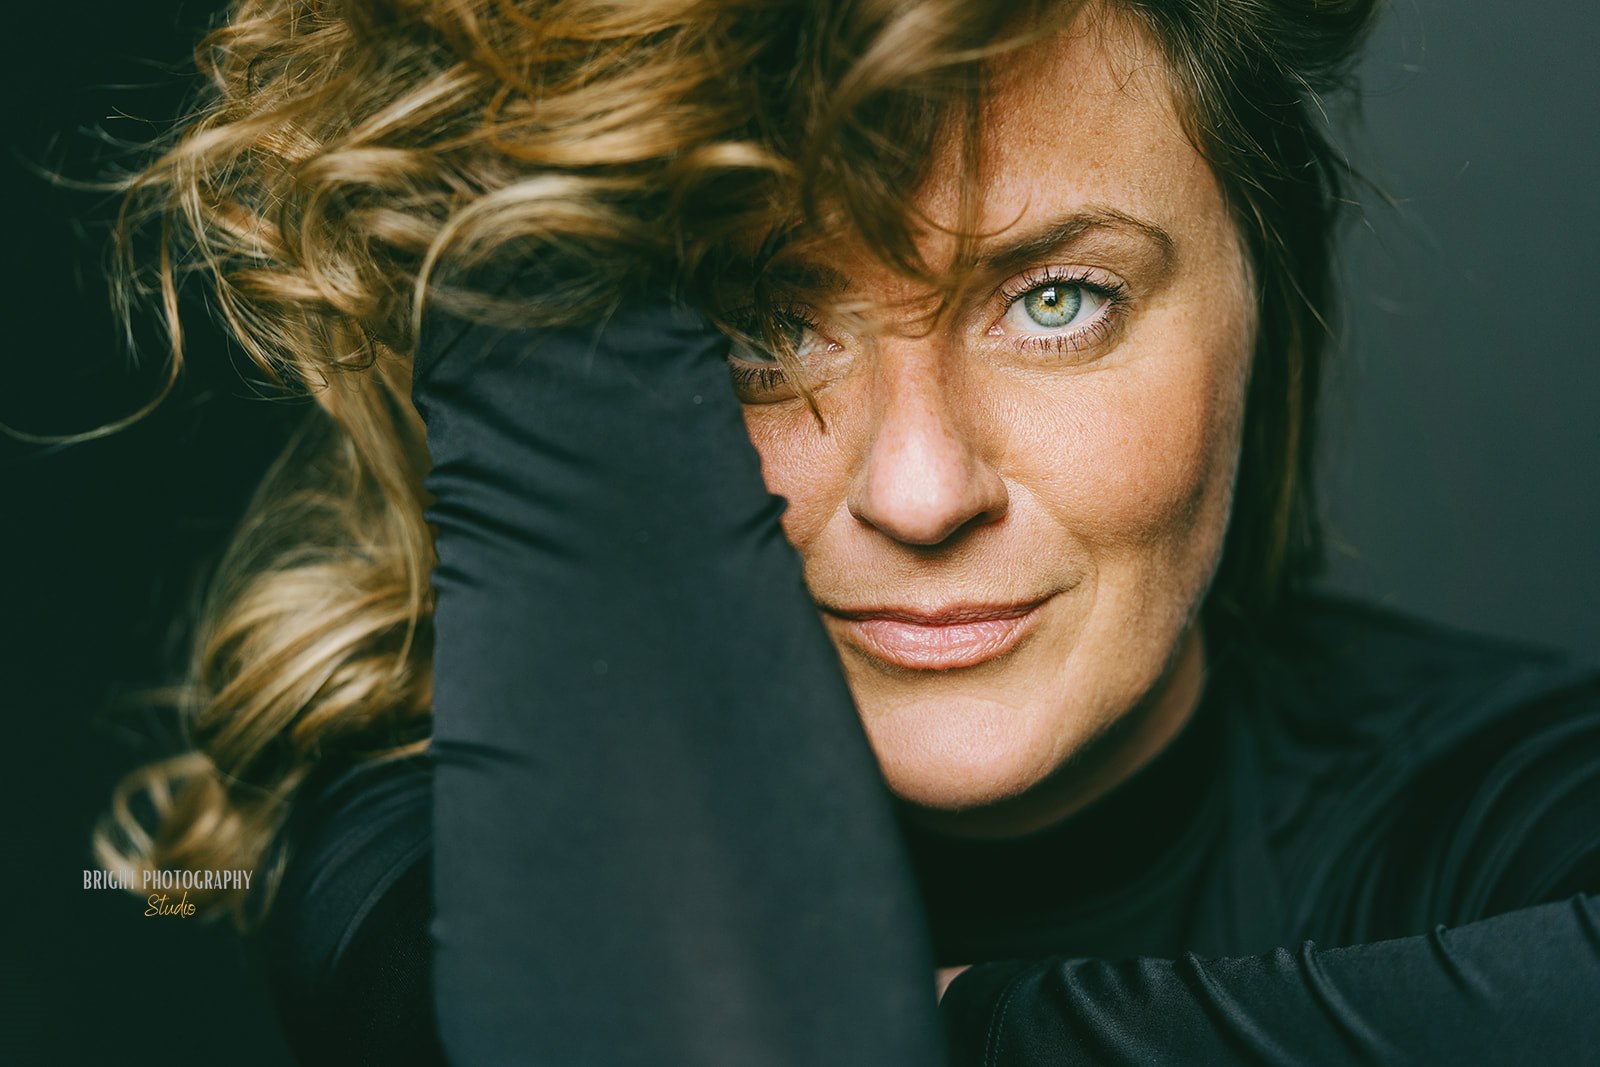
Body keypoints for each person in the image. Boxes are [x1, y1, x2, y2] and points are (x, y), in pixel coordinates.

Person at [91, 0, 1600, 1063]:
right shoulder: (419, 852)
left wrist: (931, 1029)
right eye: (759, 323)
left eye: (1055, 300)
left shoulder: (1514, 794)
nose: (924, 491)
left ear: (1267, 294)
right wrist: (527, 170)